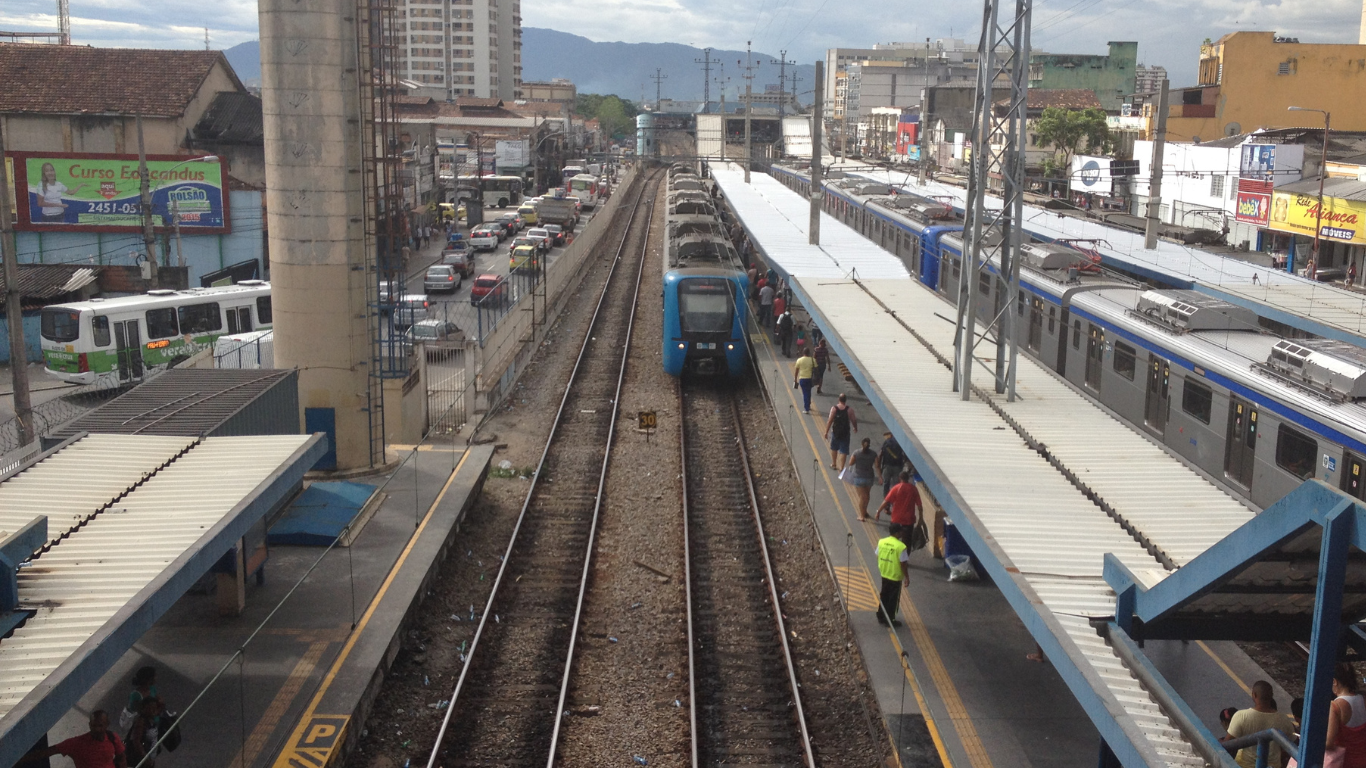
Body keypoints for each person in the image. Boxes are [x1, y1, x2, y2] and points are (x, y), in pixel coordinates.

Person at [1224, 680, 1296, 768]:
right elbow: (1292, 743)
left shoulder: (1241, 716)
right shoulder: (1284, 719)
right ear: (1271, 696)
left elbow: (1227, 743)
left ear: (1254, 695)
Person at [19, 710, 126, 768]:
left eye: (100, 725)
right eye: (94, 726)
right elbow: (45, 753)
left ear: (107, 724)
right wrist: (15, 761)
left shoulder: (113, 738)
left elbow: (121, 758)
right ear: (89, 725)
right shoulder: (76, 743)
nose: (97, 729)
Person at [1328, 662, 1366, 768]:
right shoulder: (1363, 699)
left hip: (1345, 762)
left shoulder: (1336, 706)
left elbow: (1329, 743)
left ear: (1334, 681)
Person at [875, 524, 911, 627]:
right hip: (895, 575)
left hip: (884, 572)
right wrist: (907, 577)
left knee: (884, 595)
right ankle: (890, 619)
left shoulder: (881, 542)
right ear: (897, 533)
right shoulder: (901, 546)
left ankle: (880, 615)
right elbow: (903, 563)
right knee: (893, 599)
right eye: (900, 531)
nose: (902, 533)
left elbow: (877, 554)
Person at [846, 437, 878, 521]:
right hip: (869, 477)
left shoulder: (856, 453)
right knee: (866, 496)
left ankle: (861, 515)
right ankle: (865, 511)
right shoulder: (873, 454)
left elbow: (850, 463)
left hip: (858, 477)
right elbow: (877, 465)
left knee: (862, 497)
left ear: (861, 444)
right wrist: (880, 477)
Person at [125, 697, 162, 768]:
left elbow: (161, 707)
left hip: (151, 757)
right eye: (151, 708)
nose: (153, 710)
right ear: (144, 709)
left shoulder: (151, 720)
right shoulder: (141, 722)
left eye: (155, 708)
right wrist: (145, 758)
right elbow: (136, 741)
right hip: (143, 760)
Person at [825, 393, 857, 471]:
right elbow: (854, 420)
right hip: (845, 433)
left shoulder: (834, 408)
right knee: (843, 450)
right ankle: (842, 467)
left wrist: (826, 432)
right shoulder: (849, 410)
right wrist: (855, 428)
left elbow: (830, 421)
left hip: (835, 432)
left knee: (834, 448)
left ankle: (834, 464)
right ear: (845, 400)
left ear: (838, 399)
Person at [121, 666, 158, 731]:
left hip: (155, 722)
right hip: (143, 727)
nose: (156, 678)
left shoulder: (152, 688)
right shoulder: (135, 695)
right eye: (155, 676)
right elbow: (137, 712)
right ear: (149, 679)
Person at [875, 432, 907, 497]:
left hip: (887, 466)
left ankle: (886, 501)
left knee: (886, 483)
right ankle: (894, 500)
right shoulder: (901, 443)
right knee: (895, 485)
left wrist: (879, 468)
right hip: (898, 467)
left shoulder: (886, 442)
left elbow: (880, 454)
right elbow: (904, 456)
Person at [793, 347, 816, 413]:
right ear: (809, 353)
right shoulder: (812, 360)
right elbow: (816, 369)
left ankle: (806, 409)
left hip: (802, 379)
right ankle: (808, 405)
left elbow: (796, 371)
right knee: (808, 392)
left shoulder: (799, 360)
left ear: (803, 352)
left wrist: (795, 379)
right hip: (810, 379)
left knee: (805, 393)